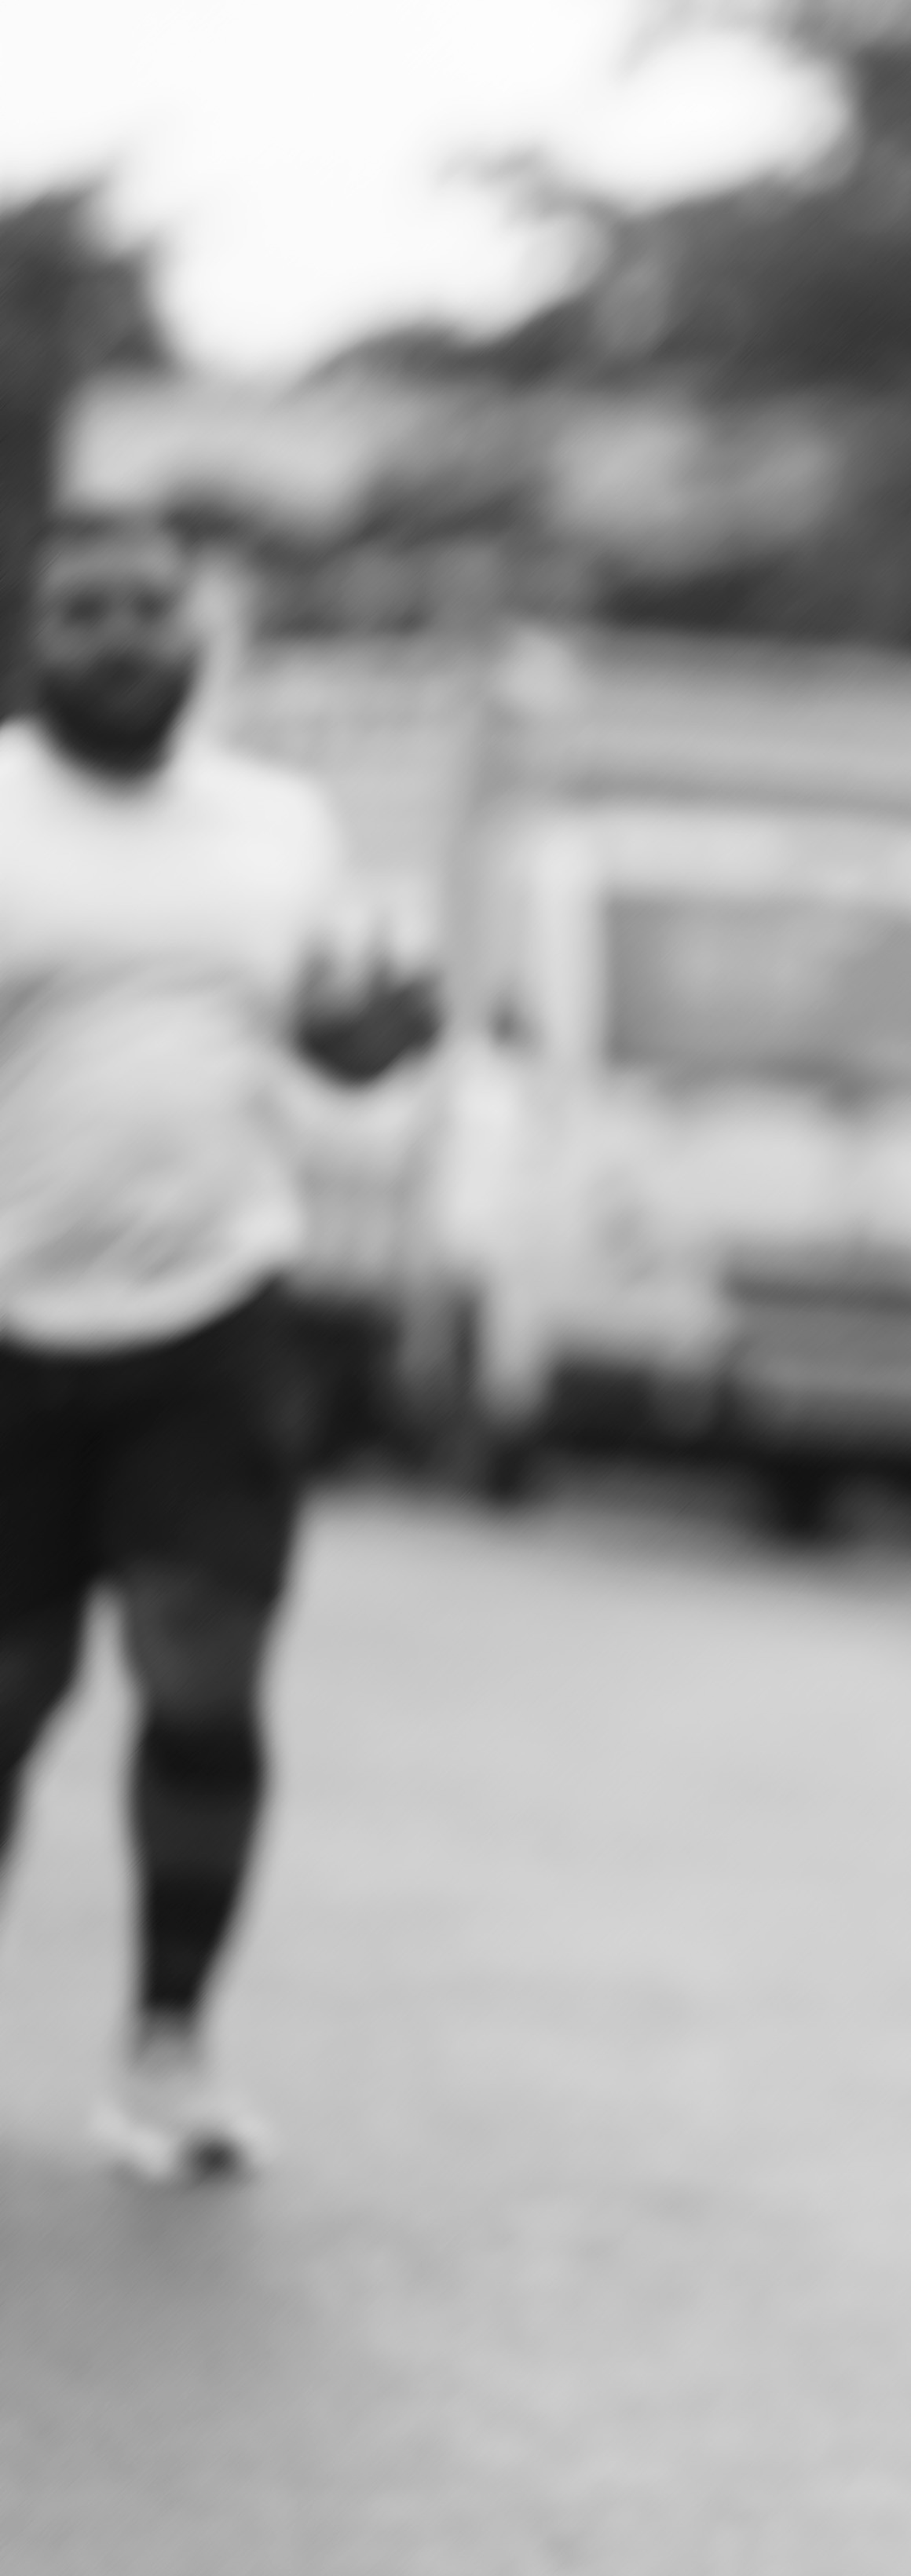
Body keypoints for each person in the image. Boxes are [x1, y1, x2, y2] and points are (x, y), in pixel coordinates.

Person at [0, 504, 435, 2181]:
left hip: (215, 1316)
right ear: (40, 637)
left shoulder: (280, 826)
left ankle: (168, 2047)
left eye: (146, 607)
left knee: (204, 1681)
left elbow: (330, 1036)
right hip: (12, 1329)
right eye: (82, 609)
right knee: (12, 1696)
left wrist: (366, 1045)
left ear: (198, 631)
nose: (118, 635)